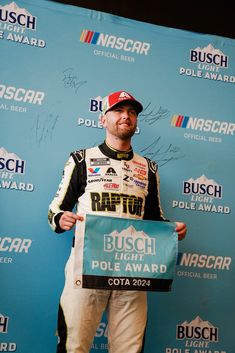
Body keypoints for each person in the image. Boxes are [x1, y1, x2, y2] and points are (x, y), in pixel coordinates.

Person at [48, 90, 187, 353]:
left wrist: (171, 231)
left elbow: (155, 219)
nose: (126, 116)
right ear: (103, 119)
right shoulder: (81, 159)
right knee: (73, 346)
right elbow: (55, 209)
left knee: (129, 349)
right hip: (86, 267)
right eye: (119, 111)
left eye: (132, 112)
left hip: (133, 270)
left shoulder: (149, 168)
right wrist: (61, 218)